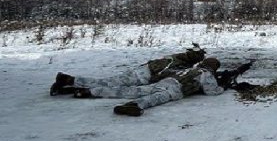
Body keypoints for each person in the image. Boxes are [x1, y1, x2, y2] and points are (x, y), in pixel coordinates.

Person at [72, 58, 233, 116]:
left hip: (166, 81)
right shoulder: (207, 74)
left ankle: (89, 91)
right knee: (153, 99)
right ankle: (134, 106)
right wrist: (224, 87)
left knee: (129, 91)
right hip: (174, 89)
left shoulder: (190, 68)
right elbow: (211, 91)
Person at [50, 44, 207, 96]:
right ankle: (69, 81)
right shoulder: (177, 62)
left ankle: (71, 87)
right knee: (109, 84)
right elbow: (161, 73)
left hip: (141, 72)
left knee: (109, 84)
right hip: (141, 77)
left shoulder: (177, 57)